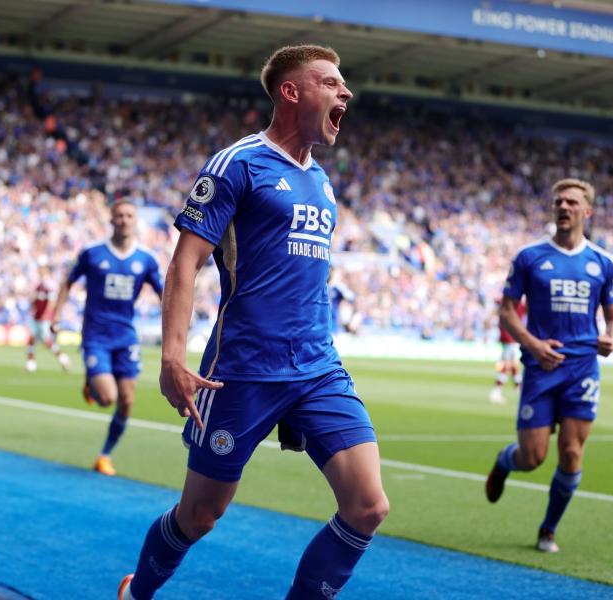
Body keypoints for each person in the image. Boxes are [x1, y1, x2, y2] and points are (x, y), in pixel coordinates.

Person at [118, 45, 388, 600]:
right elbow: (184, 262)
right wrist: (172, 357)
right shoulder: (238, 164)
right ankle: (137, 592)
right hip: (241, 369)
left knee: (368, 507)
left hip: (317, 367)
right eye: (332, 83)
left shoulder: (323, 183)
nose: (347, 93)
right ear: (292, 91)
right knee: (199, 515)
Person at [484, 178, 613, 553]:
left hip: (582, 369)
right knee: (532, 458)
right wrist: (532, 343)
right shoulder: (529, 257)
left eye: (572, 202)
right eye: (558, 201)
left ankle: (548, 529)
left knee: (573, 452)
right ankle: (504, 462)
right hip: (541, 367)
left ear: (586, 211)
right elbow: (507, 310)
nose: (563, 206)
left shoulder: (603, 263)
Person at [51, 200, 163, 476]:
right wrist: (55, 316)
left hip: (126, 336)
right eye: (119, 215)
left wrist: (177, 319)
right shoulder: (92, 253)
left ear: (135, 221)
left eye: (129, 215)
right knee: (107, 398)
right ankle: (93, 382)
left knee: (127, 400)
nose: (124, 220)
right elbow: (67, 281)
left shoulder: (146, 259)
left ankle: (105, 455)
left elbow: (166, 293)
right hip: (95, 337)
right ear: (111, 220)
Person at [25, 267, 69, 373]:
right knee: (31, 340)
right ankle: (31, 365)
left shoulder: (49, 284)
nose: (40, 271)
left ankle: (63, 359)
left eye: (42, 269)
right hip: (37, 317)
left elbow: (52, 301)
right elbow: (35, 300)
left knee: (47, 342)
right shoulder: (39, 285)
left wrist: (47, 314)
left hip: (44, 318)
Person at [490, 298, 526, 405]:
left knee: (513, 366)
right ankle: (496, 391)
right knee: (508, 365)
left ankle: (519, 390)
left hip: (508, 339)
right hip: (511, 339)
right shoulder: (517, 306)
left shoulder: (506, 306)